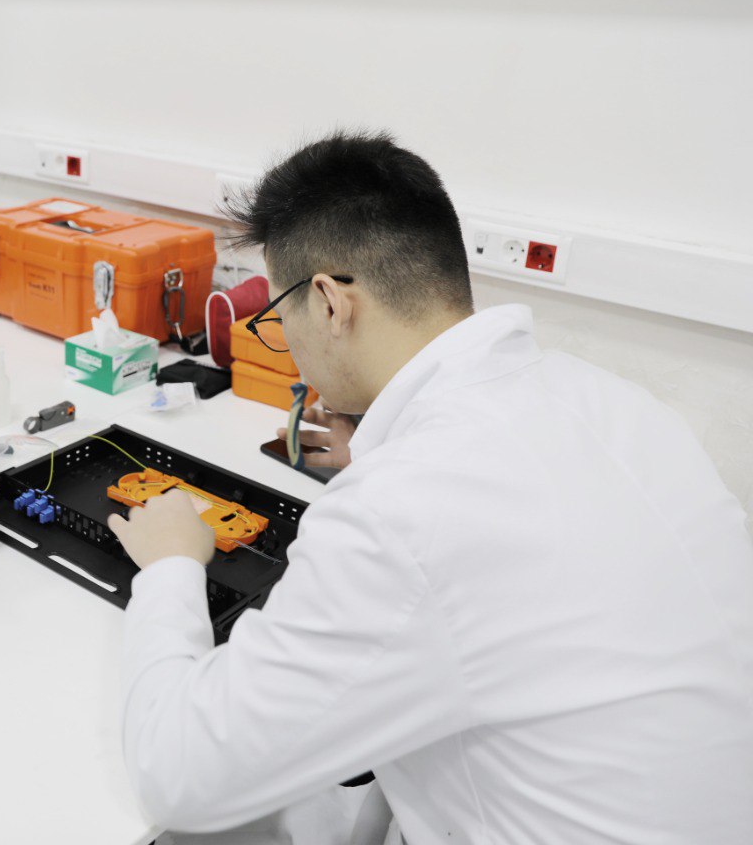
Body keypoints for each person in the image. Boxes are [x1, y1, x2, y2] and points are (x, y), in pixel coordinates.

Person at [109, 132, 753, 844]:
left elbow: (176, 778)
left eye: (279, 318)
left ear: (328, 302)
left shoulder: (404, 509)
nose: (286, 342)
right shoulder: (620, 405)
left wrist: (171, 566)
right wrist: (388, 448)